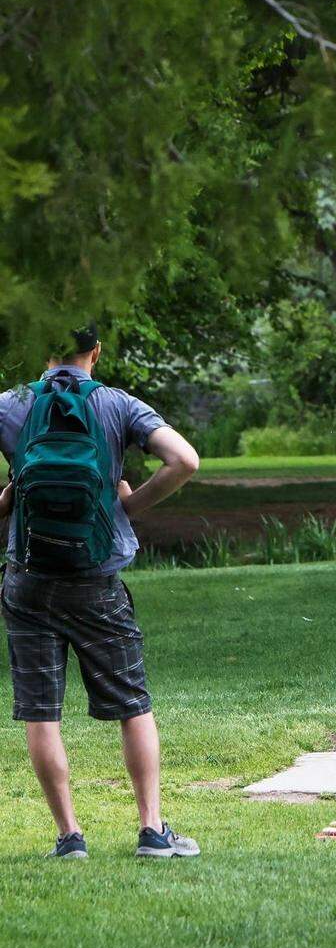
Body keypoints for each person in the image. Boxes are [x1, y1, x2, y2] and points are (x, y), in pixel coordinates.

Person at [0, 324, 201, 859]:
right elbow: (185, 460)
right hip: (97, 579)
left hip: (28, 577)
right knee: (133, 704)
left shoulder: (11, 405)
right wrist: (127, 509)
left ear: (44, 352)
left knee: (42, 712)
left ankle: (69, 838)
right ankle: (152, 831)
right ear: (96, 351)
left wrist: (9, 499)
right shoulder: (117, 404)